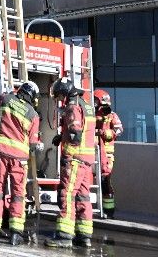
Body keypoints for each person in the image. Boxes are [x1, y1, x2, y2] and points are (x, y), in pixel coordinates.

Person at [0, 80, 42, 245]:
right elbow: (32, 144)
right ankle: (15, 235)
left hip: (0, 154)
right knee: (18, 195)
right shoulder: (33, 114)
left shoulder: (6, 99)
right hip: (19, 160)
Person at [45, 79, 96, 248]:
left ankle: (64, 236)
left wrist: (68, 138)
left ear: (65, 91)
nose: (60, 99)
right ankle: (84, 236)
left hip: (75, 158)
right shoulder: (86, 104)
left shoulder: (72, 105)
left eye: (60, 95)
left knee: (67, 194)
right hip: (87, 159)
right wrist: (62, 136)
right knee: (83, 196)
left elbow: (76, 132)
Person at [92, 89, 123, 218]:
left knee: (105, 180)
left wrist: (104, 133)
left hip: (107, 155)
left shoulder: (112, 115)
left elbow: (119, 131)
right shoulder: (92, 115)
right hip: (92, 152)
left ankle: (109, 211)